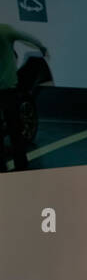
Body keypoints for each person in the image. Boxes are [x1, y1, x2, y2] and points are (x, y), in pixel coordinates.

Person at [0, 23, 48, 172]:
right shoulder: (4, 30)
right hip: (8, 90)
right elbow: (27, 37)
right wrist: (41, 47)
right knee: (15, 130)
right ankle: (21, 165)